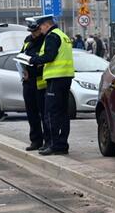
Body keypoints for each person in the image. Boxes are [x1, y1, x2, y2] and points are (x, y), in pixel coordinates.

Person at [29, 15, 74, 155]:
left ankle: (54, 145)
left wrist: (33, 60)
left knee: (51, 113)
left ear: (46, 25)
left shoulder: (52, 36)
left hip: (55, 78)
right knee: (63, 113)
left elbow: (50, 56)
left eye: (41, 26)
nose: (40, 29)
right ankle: (62, 144)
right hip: (65, 78)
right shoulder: (63, 35)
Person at [20, 18, 48, 151]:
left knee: (44, 113)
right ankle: (35, 141)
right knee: (31, 113)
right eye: (31, 31)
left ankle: (47, 141)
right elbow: (21, 55)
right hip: (28, 80)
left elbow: (46, 58)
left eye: (35, 31)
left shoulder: (45, 39)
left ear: (40, 29)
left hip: (41, 81)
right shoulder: (28, 40)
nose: (33, 34)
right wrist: (23, 69)